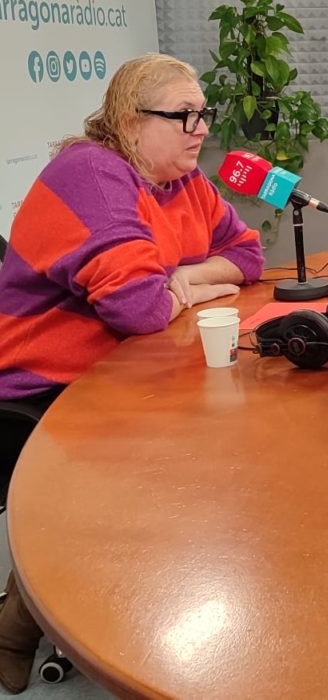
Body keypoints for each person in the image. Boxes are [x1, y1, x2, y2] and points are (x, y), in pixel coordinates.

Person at [0, 52, 265, 693]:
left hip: (129, 369)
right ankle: (19, 629)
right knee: (167, 470)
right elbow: (139, 309)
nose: (202, 128)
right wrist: (178, 289)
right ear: (128, 121)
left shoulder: (182, 181)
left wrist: (182, 279)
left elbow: (248, 254)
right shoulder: (93, 173)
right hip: (45, 385)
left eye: (204, 113)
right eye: (184, 115)